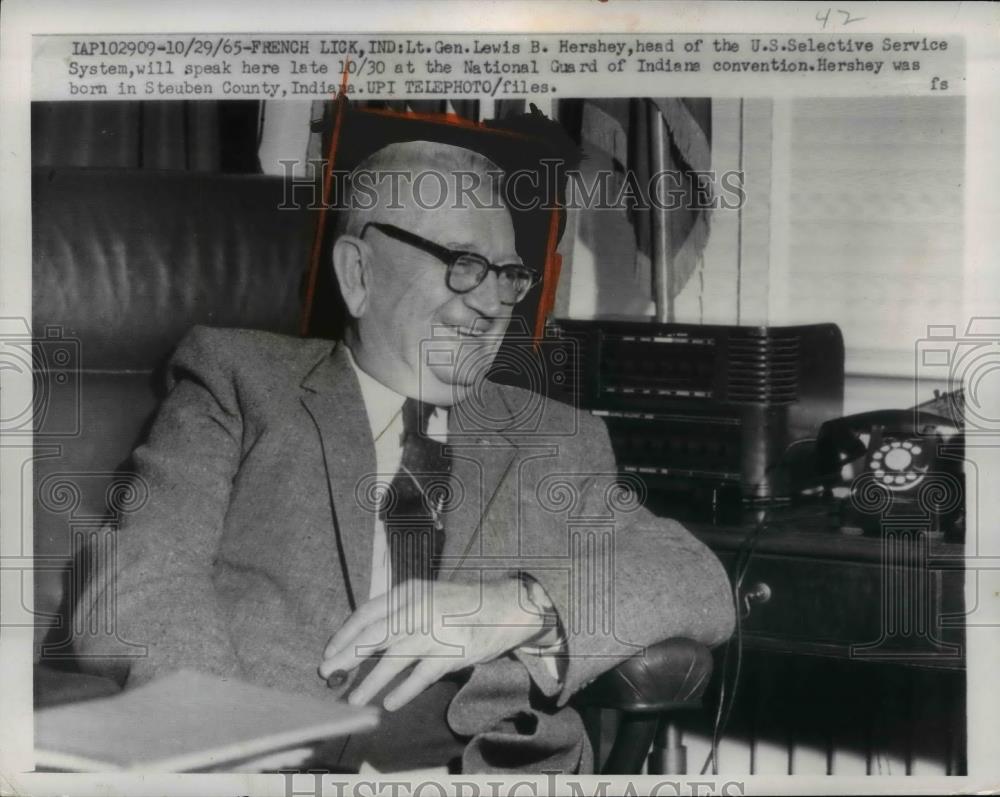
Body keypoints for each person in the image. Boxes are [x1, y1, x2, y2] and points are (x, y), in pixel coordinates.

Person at [77, 138, 734, 774]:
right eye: (462, 262)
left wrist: (519, 606)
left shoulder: (555, 438)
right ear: (358, 274)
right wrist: (228, 748)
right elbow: (144, 573)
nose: (490, 303)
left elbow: (696, 578)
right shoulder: (240, 381)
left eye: (508, 274)